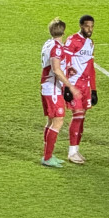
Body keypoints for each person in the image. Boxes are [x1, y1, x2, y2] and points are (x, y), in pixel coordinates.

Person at [40, 18, 79, 168]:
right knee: (58, 120)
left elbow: (53, 66)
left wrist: (66, 69)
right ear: (64, 30)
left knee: (51, 121)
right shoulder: (56, 47)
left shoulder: (48, 43)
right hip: (52, 88)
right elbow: (56, 70)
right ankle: (47, 157)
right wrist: (71, 86)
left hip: (46, 86)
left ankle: (47, 155)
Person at [62, 15, 98, 165]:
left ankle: (76, 150)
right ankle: (71, 152)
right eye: (87, 26)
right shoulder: (72, 40)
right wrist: (66, 87)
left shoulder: (90, 43)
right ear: (81, 26)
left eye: (91, 26)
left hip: (86, 86)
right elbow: (65, 62)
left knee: (82, 118)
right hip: (74, 84)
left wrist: (94, 89)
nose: (89, 29)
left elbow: (90, 66)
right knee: (77, 115)